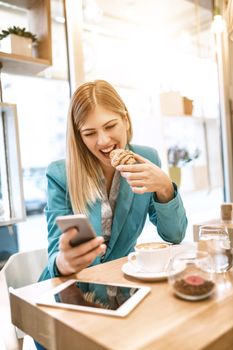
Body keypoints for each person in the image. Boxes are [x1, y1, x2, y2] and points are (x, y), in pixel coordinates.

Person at [35, 79, 187, 349]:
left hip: (130, 294)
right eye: (89, 132)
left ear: (125, 120)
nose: (103, 141)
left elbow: (174, 235)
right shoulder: (60, 174)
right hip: (75, 298)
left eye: (110, 126)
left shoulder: (146, 158)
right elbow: (54, 260)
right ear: (78, 136)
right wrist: (64, 262)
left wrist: (164, 186)